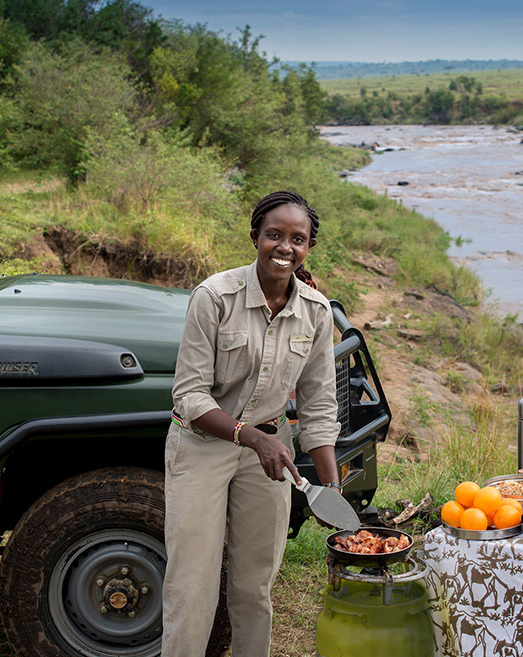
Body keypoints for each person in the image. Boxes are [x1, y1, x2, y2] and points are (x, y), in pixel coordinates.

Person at [162, 190, 342, 657]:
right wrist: (253, 438)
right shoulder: (214, 297)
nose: (285, 247)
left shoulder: (316, 312)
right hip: (202, 444)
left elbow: (319, 402)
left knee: (255, 583)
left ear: (309, 247)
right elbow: (190, 395)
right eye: (275, 235)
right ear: (256, 237)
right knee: (192, 585)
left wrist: (331, 490)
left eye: (297, 239)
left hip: (269, 452)